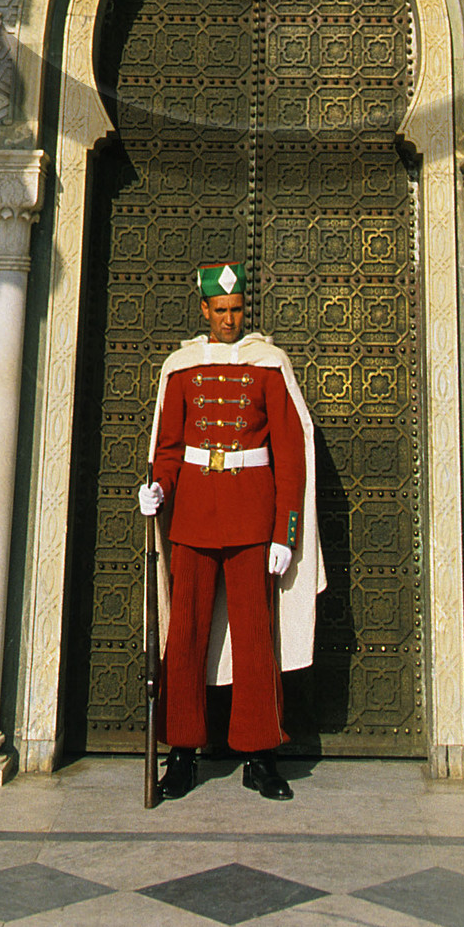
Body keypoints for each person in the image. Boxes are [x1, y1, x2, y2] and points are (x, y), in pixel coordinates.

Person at [138, 262, 323, 801]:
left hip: (251, 517)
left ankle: (260, 755)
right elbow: (168, 447)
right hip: (194, 515)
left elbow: (290, 455)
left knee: (254, 638)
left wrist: (286, 532)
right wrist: (159, 490)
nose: (229, 319)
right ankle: (182, 753)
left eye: (236, 310)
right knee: (186, 636)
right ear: (204, 310)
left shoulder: (269, 364)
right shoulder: (181, 368)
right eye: (220, 310)